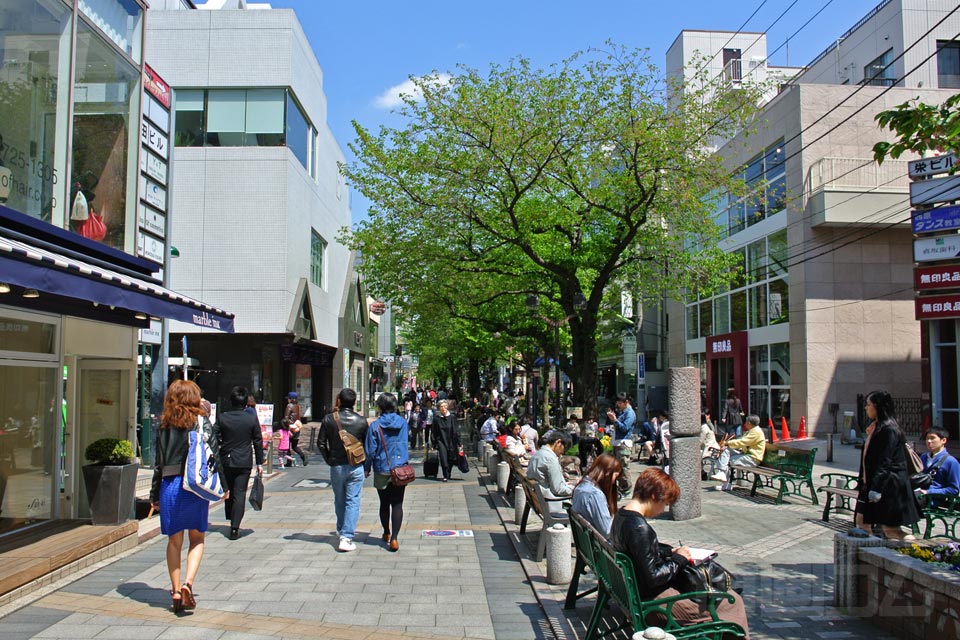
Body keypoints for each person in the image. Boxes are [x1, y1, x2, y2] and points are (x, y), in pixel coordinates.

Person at [611, 469, 750, 636]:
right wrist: (679, 559)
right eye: (665, 503)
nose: (663, 509)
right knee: (732, 601)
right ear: (654, 496)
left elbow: (640, 552)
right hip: (653, 603)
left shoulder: (622, 515)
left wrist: (669, 551)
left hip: (633, 594)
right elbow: (653, 577)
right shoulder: (639, 528)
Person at [149, 379, 226, 613]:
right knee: (197, 538)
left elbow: (158, 465)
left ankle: (173, 591)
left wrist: (154, 494)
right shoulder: (201, 422)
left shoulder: (164, 426)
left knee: (174, 540)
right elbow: (214, 455)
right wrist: (223, 484)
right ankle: (188, 584)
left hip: (170, 485)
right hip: (194, 486)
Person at [855, 390, 921, 539]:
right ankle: (871, 556)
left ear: (878, 407)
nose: (866, 408)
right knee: (862, 522)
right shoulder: (877, 427)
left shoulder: (889, 429)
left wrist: (876, 488)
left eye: (868, 405)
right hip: (871, 484)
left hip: (888, 486)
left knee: (892, 530)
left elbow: (885, 461)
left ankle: (920, 553)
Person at [317, 388, 369, 552]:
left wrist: (329, 459)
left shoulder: (328, 419)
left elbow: (321, 443)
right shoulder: (361, 421)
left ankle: (341, 530)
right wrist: (367, 466)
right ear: (354, 402)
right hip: (356, 465)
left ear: (339, 400)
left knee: (339, 498)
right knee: (352, 500)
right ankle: (346, 536)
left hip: (337, 466)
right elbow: (367, 446)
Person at [214, 386, 264, 540]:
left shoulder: (223, 417)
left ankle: (231, 517)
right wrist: (260, 462)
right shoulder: (251, 418)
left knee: (228, 490)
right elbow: (257, 439)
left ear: (231, 401)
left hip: (226, 459)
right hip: (244, 460)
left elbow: (214, 436)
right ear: (245, 402)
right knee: (240, 493)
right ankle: (235, 527)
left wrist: (222, 444)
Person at [365, 393, 410, 551]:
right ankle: (395, 539)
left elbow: (370, 450)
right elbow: (405, 442)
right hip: (400, 469)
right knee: (398, 504)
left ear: (380, 407)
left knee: (384, 503)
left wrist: (366, 467)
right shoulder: (403, 423)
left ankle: (386, 533)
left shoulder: (375, 426)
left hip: (382, 468)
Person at [571, 453, 623, 538]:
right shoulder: (594, 495)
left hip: (588, 541)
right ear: (607, 473)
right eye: (615, 477)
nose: (614, 482)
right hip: (600, 547)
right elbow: (607, 531)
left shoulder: (580, 487)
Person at [526, 430, 575, 514]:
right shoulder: (551, 459)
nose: (563, 453)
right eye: (564, 449)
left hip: (540, 500)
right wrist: (575, 489)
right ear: (558, 442)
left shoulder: (538, 454)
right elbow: (558, 489)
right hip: (552, 504)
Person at [710, 414, 765, 484]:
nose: (744, 424)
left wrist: (727, 443)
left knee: (727, 460)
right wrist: (729, 446)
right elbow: (741, 441)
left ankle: (725, 482)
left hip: (752, 458)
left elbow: (743, 442)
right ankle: (722, 475)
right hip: (747, 455)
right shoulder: (751, 430)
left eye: (746, 422)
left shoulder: (756, 432)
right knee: (727, 452)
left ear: (749, 423)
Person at [917, 427, 960, 506]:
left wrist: (928, 492)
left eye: (932, 438)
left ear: (943, 440)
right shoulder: (923, 457)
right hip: (919, 494)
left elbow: (954, 489)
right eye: (927, 438)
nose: (929, 441)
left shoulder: (951, 462)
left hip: (934, 500)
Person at [606, 393, 636, 482]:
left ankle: (626, 490)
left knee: (624, 468)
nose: (618, 405)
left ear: (626, 402)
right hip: (618, 442)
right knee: (617, 468)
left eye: (620, 403)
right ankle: (621, 489)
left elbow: (625, 428)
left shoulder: (630, 413)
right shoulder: (623, 412)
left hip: (624, 443)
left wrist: (615, 420)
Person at [432, 399, 462, 482]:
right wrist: (434, 444)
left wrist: (459, 443)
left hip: (451, 440)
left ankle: (448, 473)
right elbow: (434, 432)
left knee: (451, 458)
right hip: (441, 441)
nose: (443, 408)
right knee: (443, 458)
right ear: (439, 408)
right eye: (441, 406)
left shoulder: (452, 417)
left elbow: (456, 430)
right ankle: (445, 474)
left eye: (445, 406)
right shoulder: (436, 419)